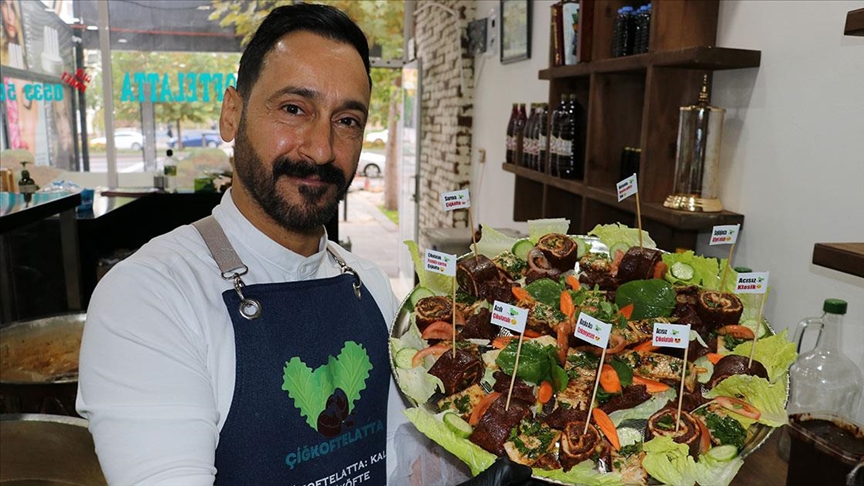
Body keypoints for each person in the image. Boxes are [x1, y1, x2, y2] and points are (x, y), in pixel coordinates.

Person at [78, 4, 537, 485]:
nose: (321, 149)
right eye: (294, 109)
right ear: (231, 114)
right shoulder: (148, 298)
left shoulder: (372, 285)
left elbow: (404, 462)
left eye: (347, 120)